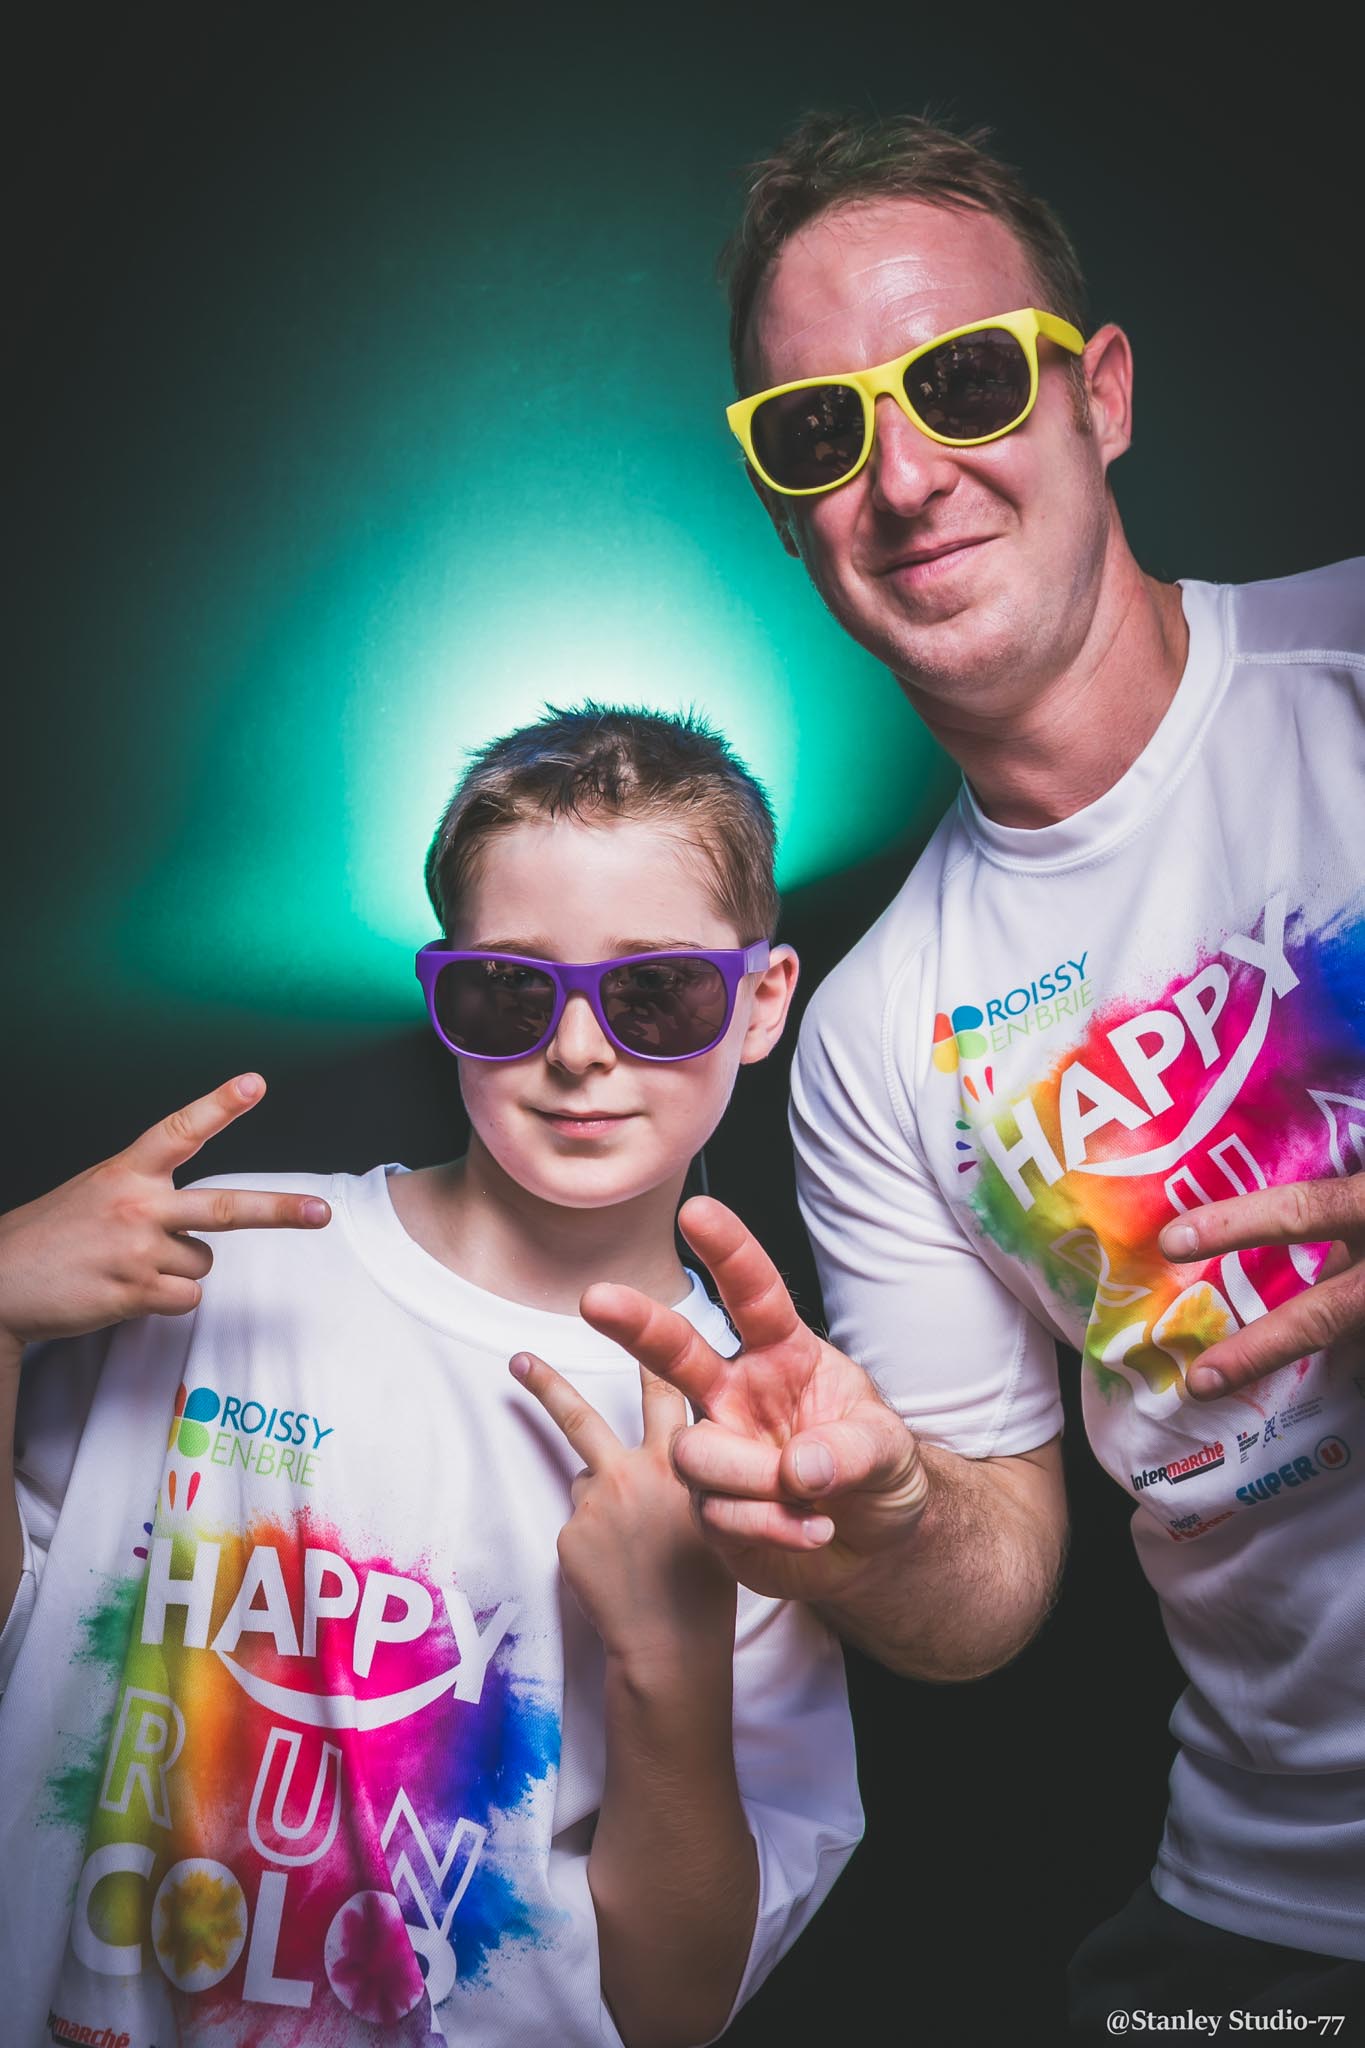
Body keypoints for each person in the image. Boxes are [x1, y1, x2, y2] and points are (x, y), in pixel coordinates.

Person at [576, 115, 1365, 2029]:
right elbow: (990, 1585)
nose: (907, 477)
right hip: (1272, 1919)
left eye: (961, 381)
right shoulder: (870, 1036)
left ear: (1099, 395)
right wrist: (874, 1523)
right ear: (785, 514)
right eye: (820, 432)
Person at [0, 705, 862, 2046]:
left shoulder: (755, 1430)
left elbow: (675, 2009)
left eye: (654, 992)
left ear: (759, 1002)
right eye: (512, 991)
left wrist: (669, 1650)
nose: (579, 1049)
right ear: (441, 994)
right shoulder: (221, 1263)